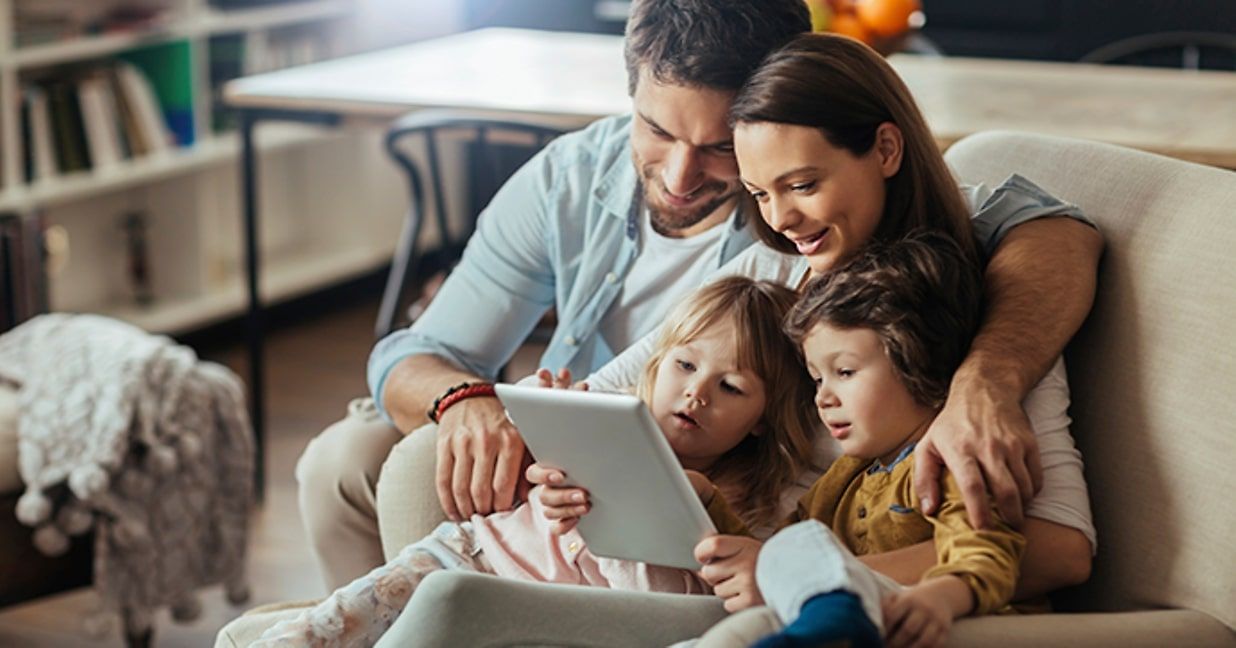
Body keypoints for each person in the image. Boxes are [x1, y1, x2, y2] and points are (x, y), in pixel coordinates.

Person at [368, 31, 1102, 646]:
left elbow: (1062, 550)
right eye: (758, 192)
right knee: (439, 591)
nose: (779, 218)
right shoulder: (773, 268)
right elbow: (617, 395)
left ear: (885, 149)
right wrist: (565, 466)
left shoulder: (968, 312)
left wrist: (800, 565)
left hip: (773, 606)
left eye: (803, 185)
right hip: (712, 571)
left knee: (450, 607)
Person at [294, 0, 814, 590]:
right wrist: (465, 401)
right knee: (341, 463)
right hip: (553, 452)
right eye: (657, 130)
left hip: (700, 479)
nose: (678, 177)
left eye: (720, 147)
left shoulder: (798, 223)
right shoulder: (570, 176)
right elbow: (409, 355)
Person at [252, 277, 818, 647]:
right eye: (686, 366)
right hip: (476, 553)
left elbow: (699, 598)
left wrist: (692, 506)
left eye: (731, 388)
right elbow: (529, 474)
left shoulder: (750, 503)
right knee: (326, 627)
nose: (697, 395)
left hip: (537, 609)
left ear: (764, 418)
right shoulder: (602, 417)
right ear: (658, 363)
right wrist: (547, 449)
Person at [702, 230, 1027, 648]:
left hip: (947, 625)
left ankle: (836, 613)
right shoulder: (846, 478)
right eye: (817, 379)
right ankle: (832, 616)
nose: (823, 396)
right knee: (791, 544)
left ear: (917, 359)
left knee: (797, 545)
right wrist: (707, 502)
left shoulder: (947, 457)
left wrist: (942, 596)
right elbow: (778, 557)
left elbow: (990, 551)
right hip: (849, 623)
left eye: (845, 372)